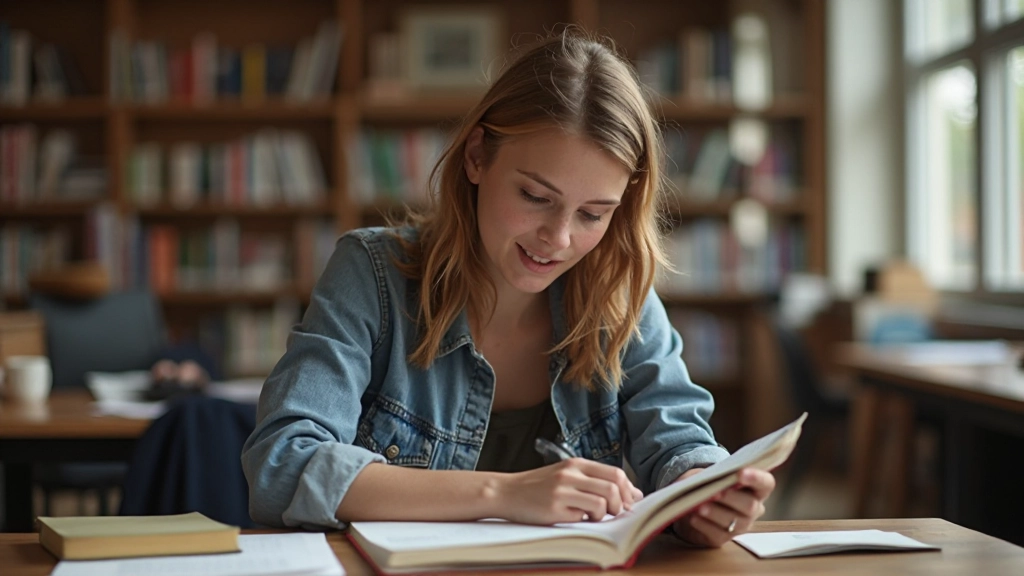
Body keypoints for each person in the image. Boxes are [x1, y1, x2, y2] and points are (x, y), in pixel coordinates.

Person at [242, 28, 775, 547]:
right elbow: (282, 462)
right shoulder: (371, 273)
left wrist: (702, 497)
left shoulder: (618, 291)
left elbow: (681, 445)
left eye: (592, 214)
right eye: (535, 197)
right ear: (477, 156)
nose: (558, 239)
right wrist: (503, 493)